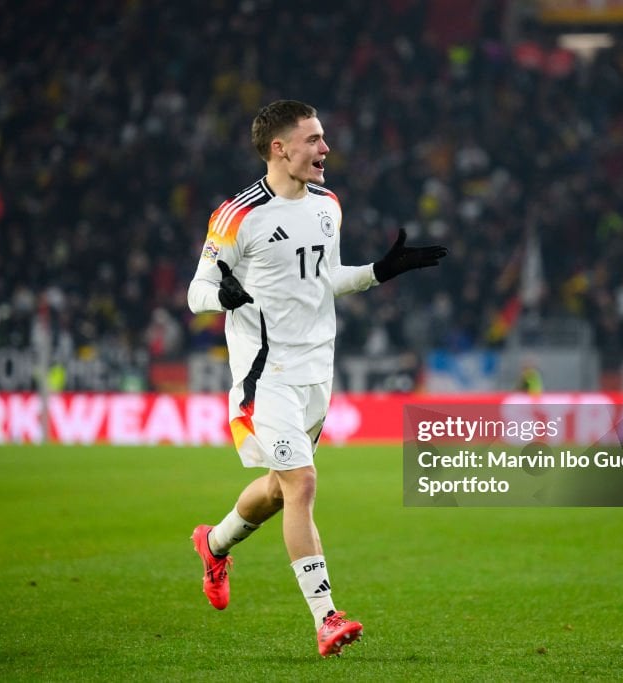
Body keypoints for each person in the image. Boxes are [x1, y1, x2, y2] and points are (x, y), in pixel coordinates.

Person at [187, 99, 447, 657]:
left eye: (323, 138)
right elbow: (196, 291)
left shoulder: (328, 204)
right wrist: (222, 294)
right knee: (302, 484)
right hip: (265, 379)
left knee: (281, 492)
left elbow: (323, 281)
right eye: (313, 139)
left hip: (315, 375)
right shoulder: (237, 215)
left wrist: (380, 272)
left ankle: (214, 544)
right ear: (280, 148)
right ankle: (327, 618)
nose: (325, 149)